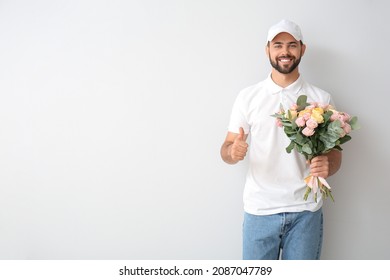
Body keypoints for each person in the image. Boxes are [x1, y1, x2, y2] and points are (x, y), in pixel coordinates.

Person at [220, 19, 342, 260]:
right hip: (259, 211)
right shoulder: (248, 97)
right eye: (277, 45)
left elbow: (335, 154)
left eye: (291, 45)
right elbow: (225, 149)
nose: (285, 51)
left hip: (305, 213)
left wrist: (329, 165)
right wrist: (232, 151)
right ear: (267, 49)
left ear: (302, 49)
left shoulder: (321, 97)